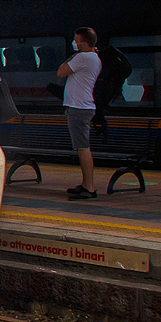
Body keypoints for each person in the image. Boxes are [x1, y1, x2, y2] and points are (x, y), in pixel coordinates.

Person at [56, 27, 103, 199]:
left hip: (79, 108)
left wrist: (73, 56)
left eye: (76, 40)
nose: (73, 43)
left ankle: (89, 188)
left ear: (83, 43)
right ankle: (85, 184)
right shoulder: (94, 58)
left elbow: (61, 71)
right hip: (83, 106)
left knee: (83, 148)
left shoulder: (82, 57)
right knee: (82, 146)